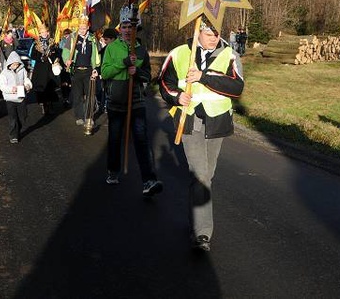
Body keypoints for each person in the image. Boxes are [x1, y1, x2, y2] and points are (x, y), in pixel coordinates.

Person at [158, 21, 245, 252]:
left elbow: (237, 88)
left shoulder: (230, 55)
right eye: (209, 33)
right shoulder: (179, 53)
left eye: (217, 33)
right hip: (189, 122)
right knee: (201, 176)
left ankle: (195, 222)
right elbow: (164, 83)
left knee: (208, 175)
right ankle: (202, 234)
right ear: (198, 31)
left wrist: (203, 77)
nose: (214, 38)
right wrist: (177, 98)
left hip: (217, 123)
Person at [100, 13, 163, 197]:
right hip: (116, 101)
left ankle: (148, 180)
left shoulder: (142, 50)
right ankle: (113, 170)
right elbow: (105, 73)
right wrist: (123, 63)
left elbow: (147, 76)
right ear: (120, 28)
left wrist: (136, 73)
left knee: (142, 140)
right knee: (115, 138)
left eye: (131, 27)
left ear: (137, 29)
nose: (128, 30)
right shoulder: (111, 48)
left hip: (137, 101)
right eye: (125, 26)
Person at [62, 17, 100, 127]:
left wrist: (96, 68)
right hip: (76, 70)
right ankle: (79, 116)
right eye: (81, 28)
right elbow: (66, 52)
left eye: (84, 28)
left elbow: (97, 54)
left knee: (90, 95)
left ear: (88, 27)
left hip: (88, 70)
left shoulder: (92, 39)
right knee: (77, 95)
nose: (82, 30)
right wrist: (66, 60)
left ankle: (89, 117)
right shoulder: (72, 38)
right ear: (78, 27)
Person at [0, 51, 33, 143]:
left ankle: (18, 128)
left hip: (21, 97)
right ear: (10, 63)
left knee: (23, 117)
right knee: (13, 118)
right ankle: (13, 135)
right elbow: (1, 86)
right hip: (10, 98)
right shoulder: (4, 73)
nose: (16, 66)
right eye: (14, 64)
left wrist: (28, 85)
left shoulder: (22, 70)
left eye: (17, 64)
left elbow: (26, 79)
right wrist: (11, 89)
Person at [28, 25, 60, 115]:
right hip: (40, 68)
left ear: (48, 32)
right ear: (40, 33)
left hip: (49, 68)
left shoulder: (52, 42)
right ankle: (44, 105)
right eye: (42, 32)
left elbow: (57, 54)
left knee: (50, 86)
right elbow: (32, 55)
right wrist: (41, 57)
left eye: (45, 32)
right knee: (41, 87)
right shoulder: (36, 43)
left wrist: (54, 58)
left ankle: (50, 104)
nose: (44, 33)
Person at [58, 29, 73, 106]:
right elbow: (60, 54)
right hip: (64, 66)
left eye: (68, 35)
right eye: (65, 35)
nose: (67, 37)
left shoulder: (73, 40)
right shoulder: (61, 43)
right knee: (65, 83)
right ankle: (65, 98)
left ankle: (69, 97)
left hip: (72, 65)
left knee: (71, 83)